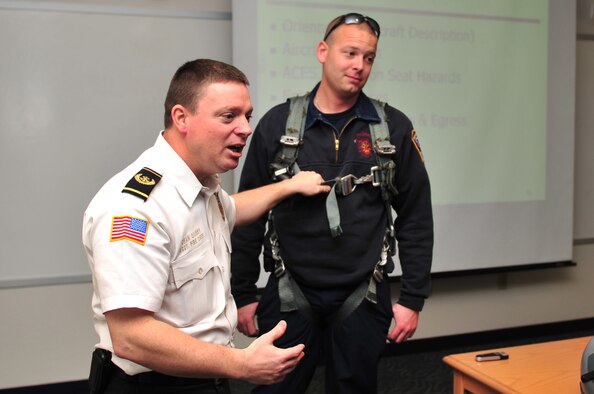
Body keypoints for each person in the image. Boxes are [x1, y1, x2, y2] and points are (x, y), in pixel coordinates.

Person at [82, 58, 331, 393]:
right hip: (154, 386)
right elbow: (131, 337)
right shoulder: (136, 208)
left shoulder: (203, 186)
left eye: (247, 116)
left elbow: (232, 209)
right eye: (229, 116)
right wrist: (242, 364)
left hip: (207, 378)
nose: (245, 128)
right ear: (182, 118)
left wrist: (288, 186)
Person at [230, 13, 434, 393]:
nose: (359, 66)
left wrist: (413, 298)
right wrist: (242, 292)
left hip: (363, 295)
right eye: (350, 53)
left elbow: (416, 217)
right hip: (291, 292)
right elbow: (248, 211)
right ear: (323, 51)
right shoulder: (278, 126)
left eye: (369, 57)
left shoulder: (393, 129)